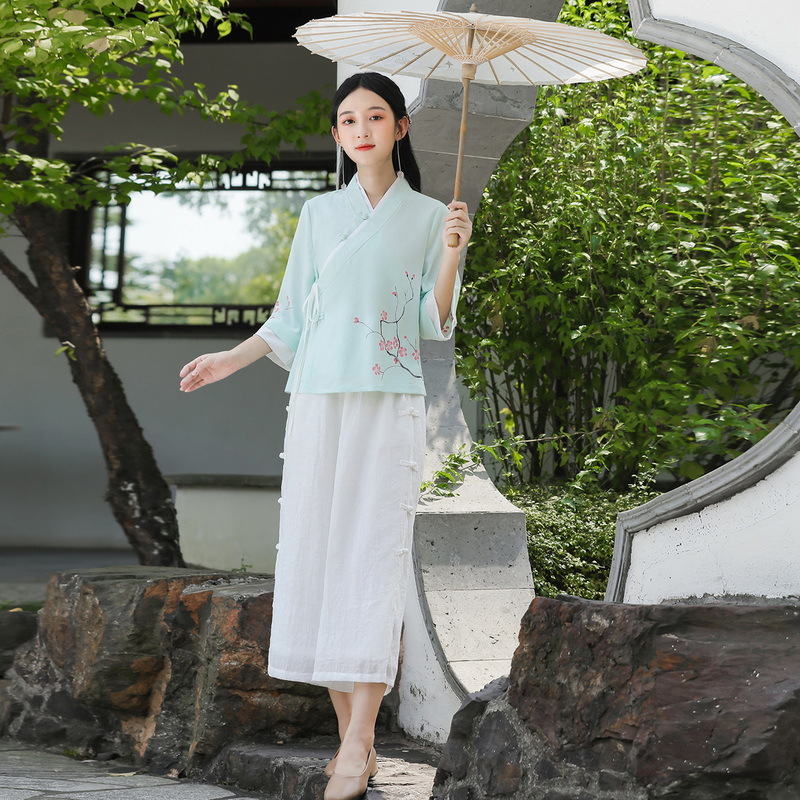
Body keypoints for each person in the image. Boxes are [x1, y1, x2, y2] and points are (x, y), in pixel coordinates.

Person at [179, 71, 471, 800]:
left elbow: (433, 323)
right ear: (337, 135)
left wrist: (452, 253)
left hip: (388, 399)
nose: (361, 129)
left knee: (371, 557)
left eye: (376, 116)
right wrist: (228, 360)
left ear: (401, 127)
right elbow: (290, 318)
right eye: (348, 119)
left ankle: (360, 740)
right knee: (318, 554)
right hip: (316, 399)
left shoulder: (432, 216)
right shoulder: (317, 214)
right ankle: (353, 742)